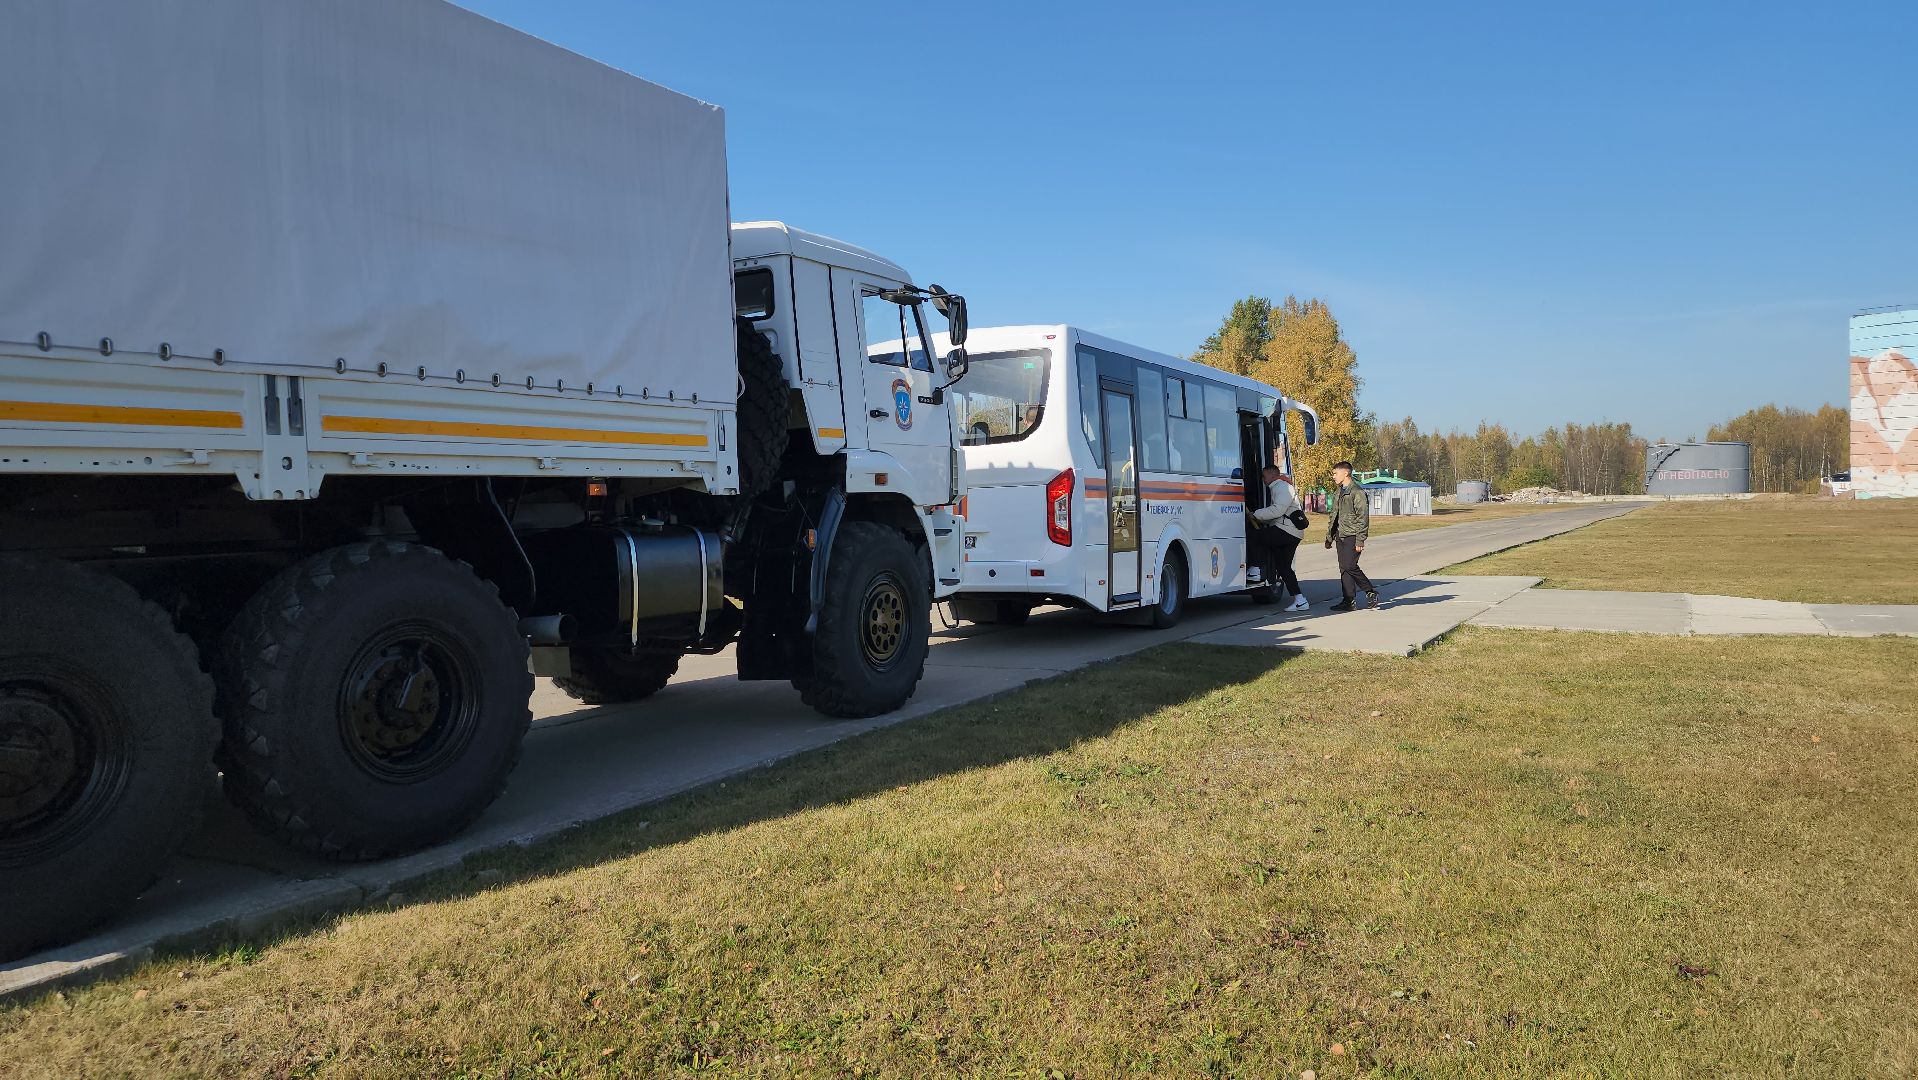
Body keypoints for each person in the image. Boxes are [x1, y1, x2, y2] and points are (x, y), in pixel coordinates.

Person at [1249, 465, 1309, 611]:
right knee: (1284, 568)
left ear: (1271, 475)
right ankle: (1300, 600)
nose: (1262, 480)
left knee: (1256, 537)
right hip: (1291, 532)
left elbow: (1277, 510)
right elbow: (1279, 514)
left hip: (1287, 531)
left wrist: (1256, 514)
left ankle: (1255, 571)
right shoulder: (1280, 486)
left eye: (1264, 476)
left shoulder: (1281, 487)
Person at [1324, 460, 1380, 611]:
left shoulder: (1357, 492)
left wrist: (1360, 539)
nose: (1333, 476)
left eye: (1336, 473)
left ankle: (1370, 591)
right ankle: (1349, 601)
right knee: (1344, 569)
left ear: (1346, 473)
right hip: (1340, 535)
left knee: (1350, 565)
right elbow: (1333, 515)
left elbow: (1363, 517)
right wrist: (1329, 536)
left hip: (1352, 535)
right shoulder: (1339, 492)